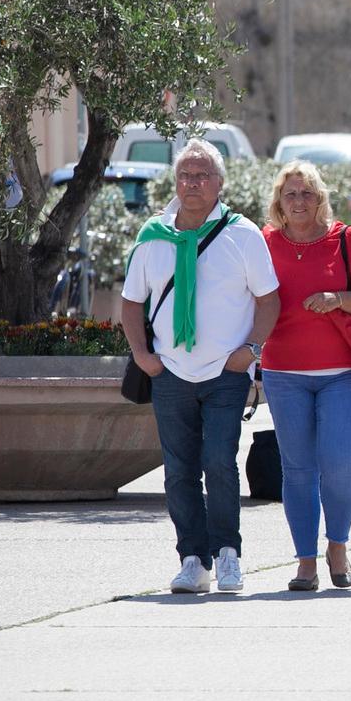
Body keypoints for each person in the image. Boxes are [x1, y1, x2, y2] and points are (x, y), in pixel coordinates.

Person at [121, 139, 279, 594]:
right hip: (169, 371)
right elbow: (132, 303)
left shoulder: (242, 234)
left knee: (219, 462)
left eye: (202, 175)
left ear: (219, 183)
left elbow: (269, 300)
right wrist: (142, 356)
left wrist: (251, 350)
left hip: (226, 372)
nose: (193, 184)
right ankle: (193, 559)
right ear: (175, 182)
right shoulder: (153, 235)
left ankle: (228, 554)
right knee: (179, 470)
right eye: (185, 176)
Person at [261, 161, 351, 591]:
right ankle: (305, 562)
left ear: (320, 199)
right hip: (283, 372)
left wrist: (338, 299)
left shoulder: (347, 240)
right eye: (290, 194)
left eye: (307, 193)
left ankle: (338, 545)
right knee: (296, 469)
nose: (299, 201)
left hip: (342, 373)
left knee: (337, 463)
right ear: (279, 200)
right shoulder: (263, 243)